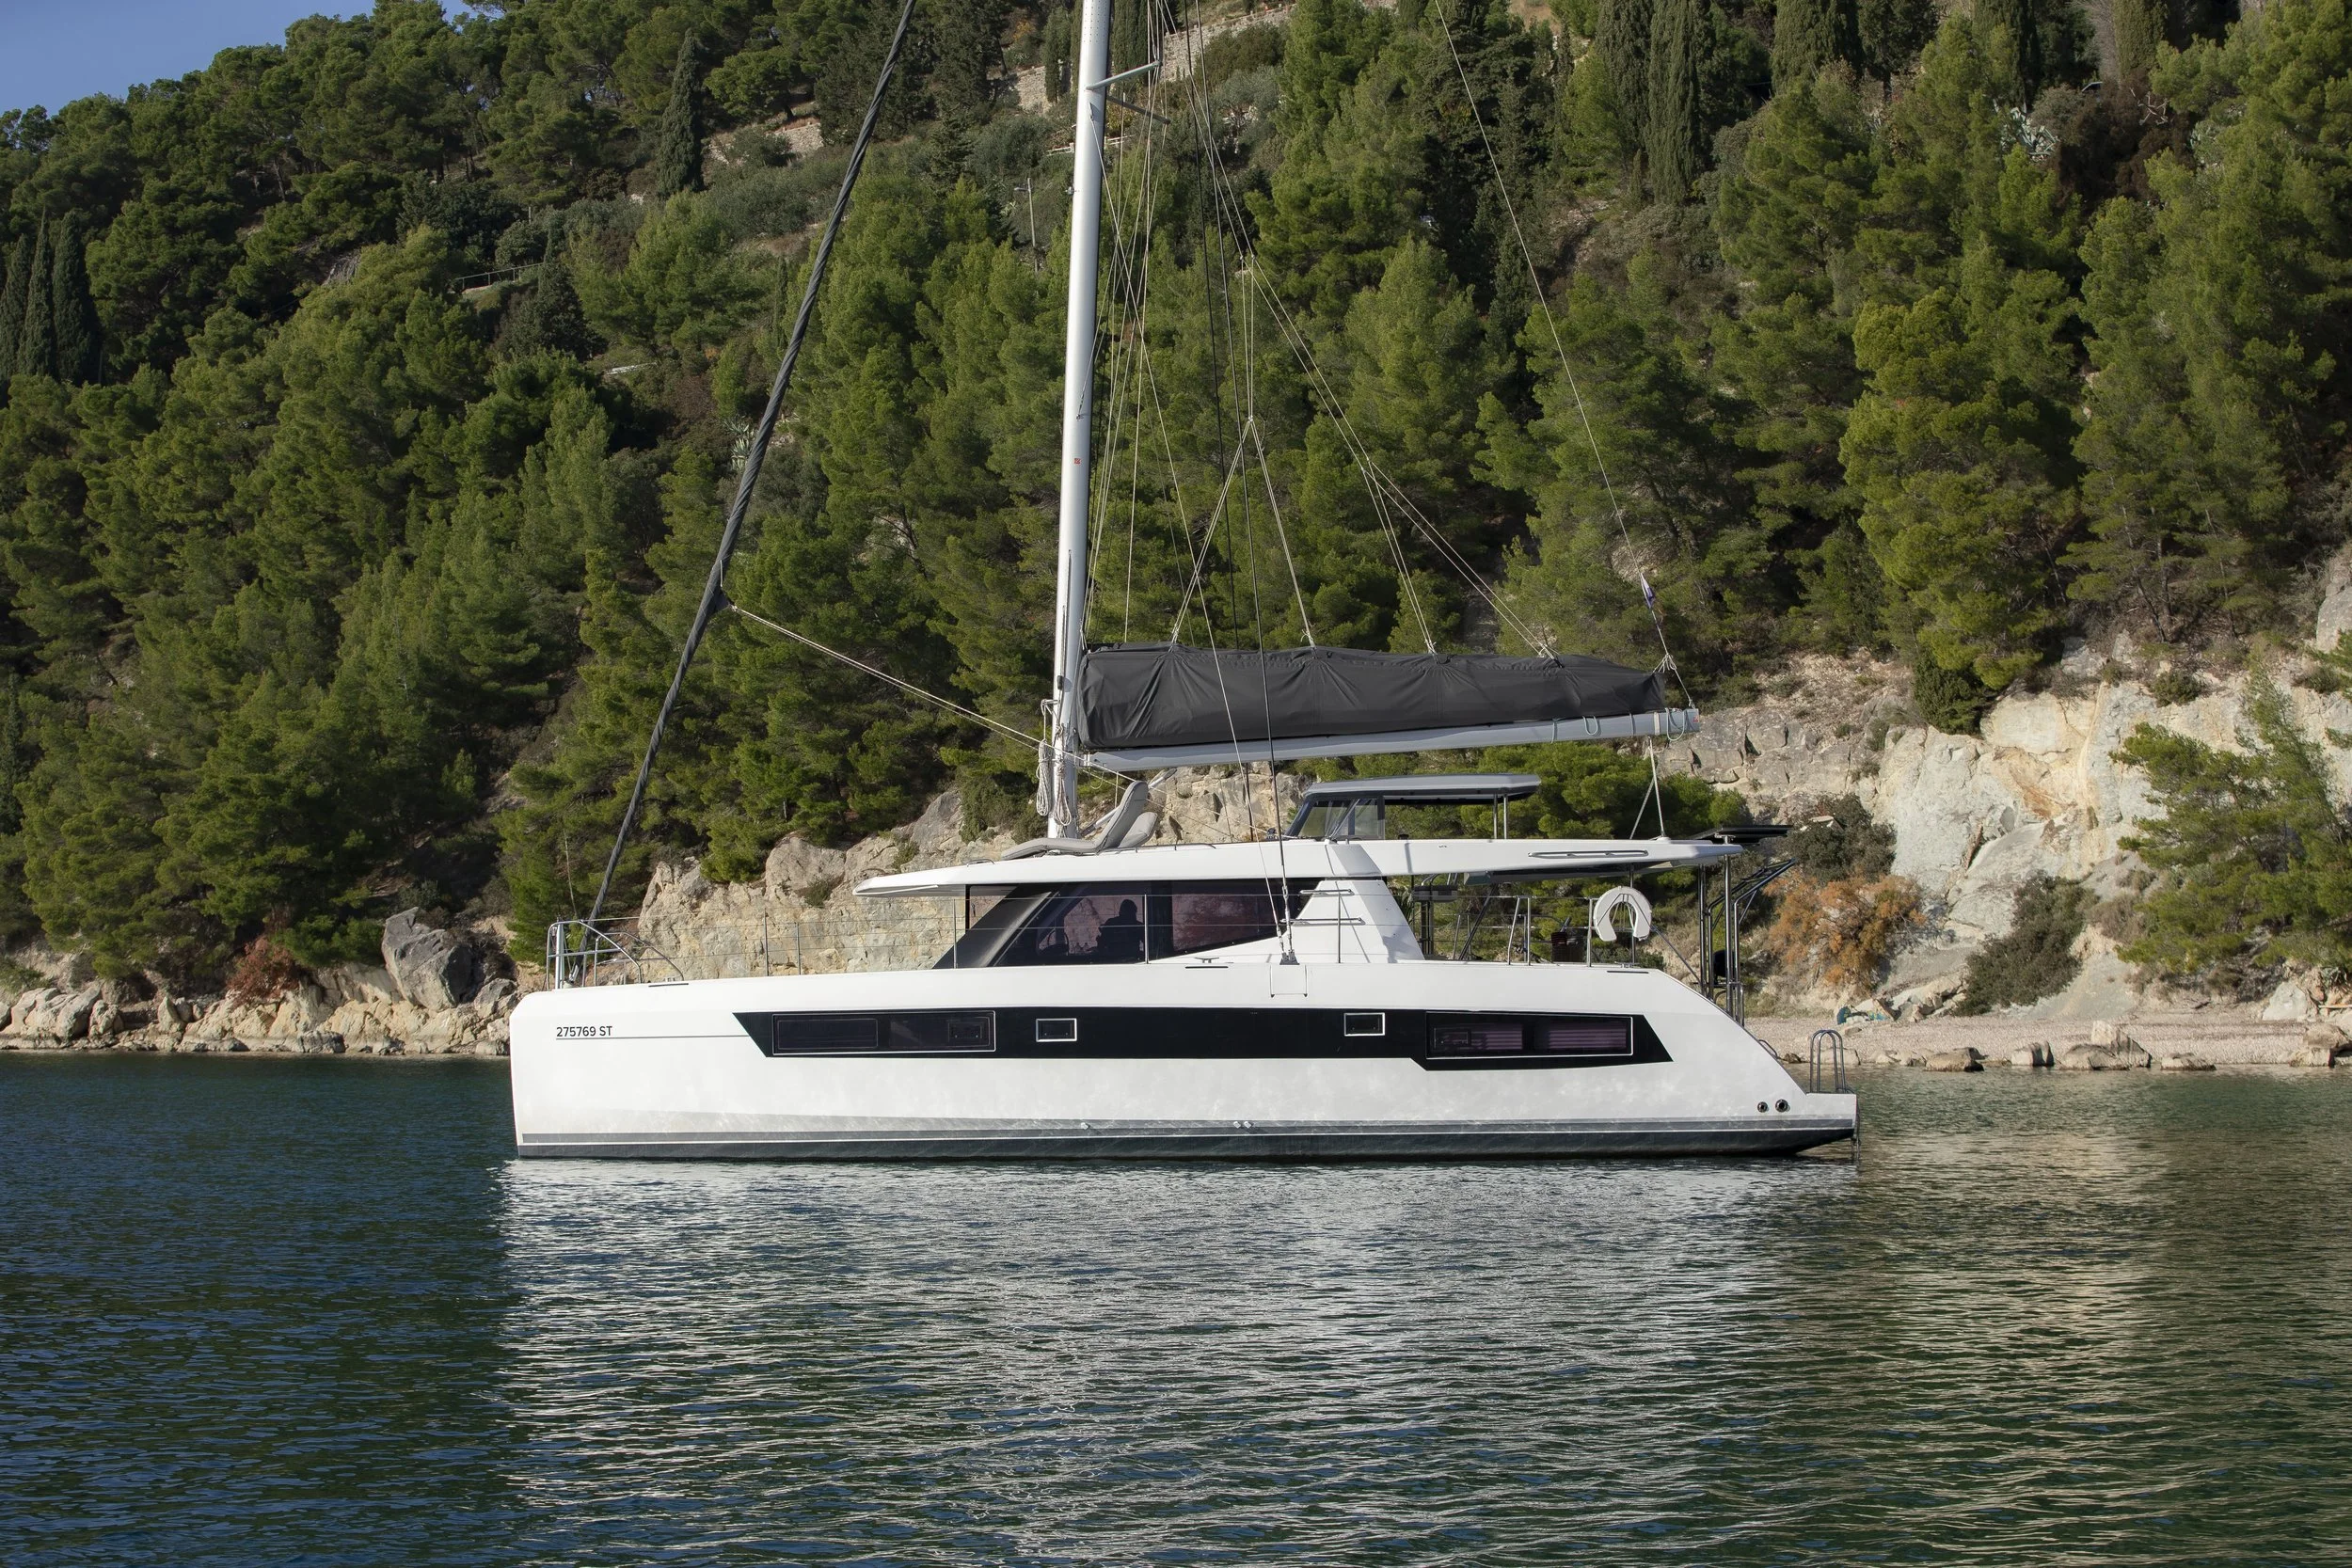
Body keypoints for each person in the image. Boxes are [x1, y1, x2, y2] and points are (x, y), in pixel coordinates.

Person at [1096, 897, 1145, 961]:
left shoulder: (1111, 922)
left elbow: (1102, 944)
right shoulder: (1138, 925)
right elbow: (1102, 944)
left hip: (1118, 960)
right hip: (1117, 960)